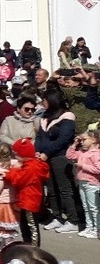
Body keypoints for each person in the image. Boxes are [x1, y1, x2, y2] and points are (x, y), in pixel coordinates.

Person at [36, 87, 81, 234]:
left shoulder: (67, 116)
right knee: (52, 190)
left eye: (45, 100)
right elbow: (40, 137)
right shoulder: (45, 117)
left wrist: (47, 153)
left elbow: (64, 139)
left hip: (60, 157)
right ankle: (57, 217)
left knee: (64, 190)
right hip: (45, 158)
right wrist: (37, 151)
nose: (43, 103)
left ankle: (73, 220)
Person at [6, 138, 50, 246]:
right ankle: (27, 244)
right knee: (25, 224)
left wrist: (13, 170)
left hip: (29, 200)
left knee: (31, 225)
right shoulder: (30, 165)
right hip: (27, 199)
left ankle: (34, 247)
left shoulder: (31, 167)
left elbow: (19, 180)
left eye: (16, 154)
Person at [66, 130, 100, 240]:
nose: (82, 142)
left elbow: (98, 169)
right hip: (82, 183)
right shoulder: (82, 153)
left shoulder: (96, 154)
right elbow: (69, 155)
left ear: (94, 140)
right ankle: (89, 227)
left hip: (92, 184)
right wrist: (75, 144)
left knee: (94, 207)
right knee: (86, 207)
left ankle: (97, 229)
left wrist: (82, 166)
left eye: (84, 140)